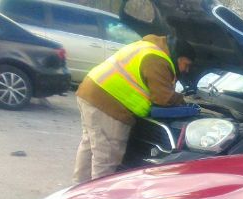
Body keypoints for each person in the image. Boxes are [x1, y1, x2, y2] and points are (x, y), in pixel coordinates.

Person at [73, 35, 195, 183]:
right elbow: (163, 98)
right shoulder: (158, 59)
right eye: (186, 64)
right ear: (178, 56)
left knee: (90, 146)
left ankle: (78, 189)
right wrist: (182, 99)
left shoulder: (148, 47)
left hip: (91, 91)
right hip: (108, 103)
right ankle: (98, 198)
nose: (186, 70)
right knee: (107, 156)